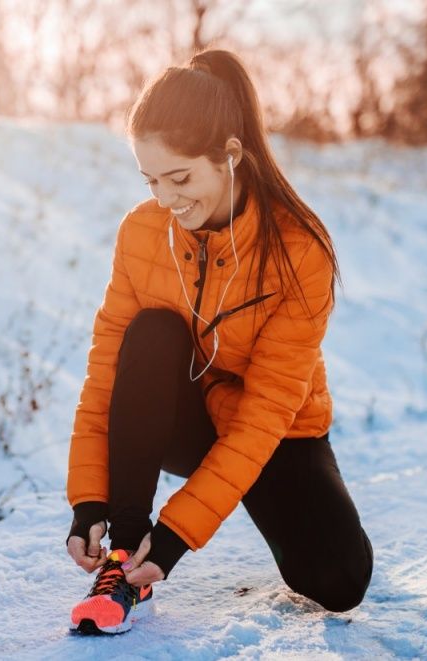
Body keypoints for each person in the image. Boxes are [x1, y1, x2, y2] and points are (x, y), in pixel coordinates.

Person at [65, 48, 374, 635]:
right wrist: (89, 501)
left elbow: (265, 413)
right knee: (149, 334)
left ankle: (300, 523)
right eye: (151, 179)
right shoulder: (142, 232)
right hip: (182, 416)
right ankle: (122, 557)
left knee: (338, 582)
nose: (165, 199)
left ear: (230, 156)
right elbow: (108, 368)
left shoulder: (300, 250)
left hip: (273, 430)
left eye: (180, 178)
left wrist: (178, 538)